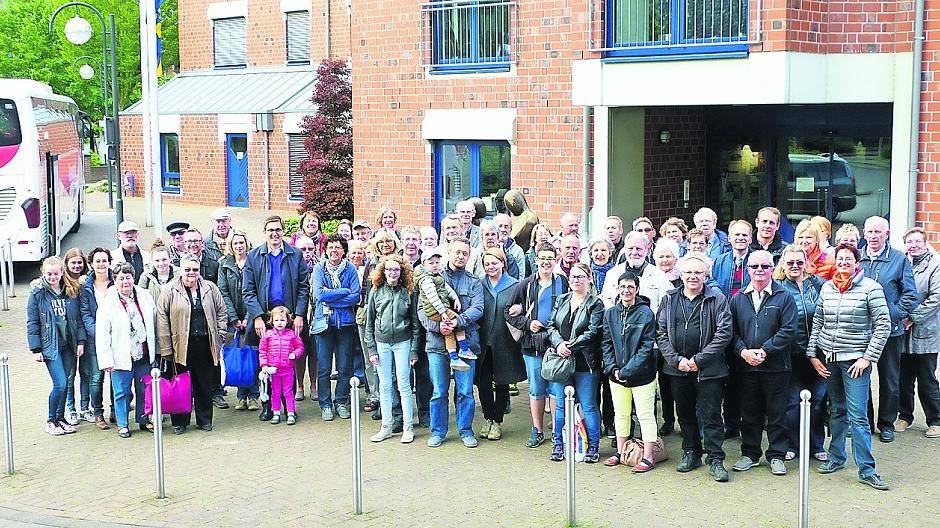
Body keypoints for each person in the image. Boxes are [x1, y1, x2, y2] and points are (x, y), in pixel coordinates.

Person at [807, 243, 891, 491]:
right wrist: (813, 354)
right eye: (839, 258)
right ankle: (836, 458)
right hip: (830, 359)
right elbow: (818, 321)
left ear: (857, 262)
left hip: (856, 361)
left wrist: (867, 358)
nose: (843, 262)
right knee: (836, 411)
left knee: (858, 416)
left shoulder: (871, 288)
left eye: (848, 259)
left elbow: (883, 325)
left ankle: (867, 469)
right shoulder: (827, 287)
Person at [657, 253, 733, 482]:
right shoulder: (669, 299)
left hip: (709, 370)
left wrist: (698, 360)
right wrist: (676, 360)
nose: (692, 276)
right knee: (685, 414)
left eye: (697, 272)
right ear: (680, 274)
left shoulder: (717, 299)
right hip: (677, 369)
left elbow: (724, 334)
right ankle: (691, 452)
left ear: (705, 275)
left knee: (711, 416)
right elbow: (660, 333)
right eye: (688, 272)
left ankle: (716, 458)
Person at [729, 250, 797, 476]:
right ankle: (750, 454)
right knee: (749, 413)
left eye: (765, 267)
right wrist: (743, 352)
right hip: (746, 367)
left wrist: (766, 350)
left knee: (777, 413)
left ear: (772, 268)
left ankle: (777, 455)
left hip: (776, 367)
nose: (759, 270)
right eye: (755, 266)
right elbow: (732, 332)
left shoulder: (784, 296)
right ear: (747, 269)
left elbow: (788, 330)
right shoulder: (738, 298)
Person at [418, 238, 485, 448]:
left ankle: (465, 430)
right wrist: (439, 327)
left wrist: (457, 321)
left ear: (469, 255)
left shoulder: (474, 281)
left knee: (465, 391)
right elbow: (421, 310)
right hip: (437, 345)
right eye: (457, 252)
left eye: (464, 253)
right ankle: (438, 431)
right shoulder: (433, 276)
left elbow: (478, 308)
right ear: (449, 251)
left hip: (467, 345)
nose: (460, 256)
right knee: (439, 391)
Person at [243, 215, 310, 421]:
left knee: (286, 364)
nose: (274, 233)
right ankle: (268, 405)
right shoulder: (254, 256)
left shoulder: (295, 255)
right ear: (265, 232)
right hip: (264, 317)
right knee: (265, 364)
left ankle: (287, 407)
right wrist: (257, 317)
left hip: (288, 318)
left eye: (278, 230)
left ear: (283, 232)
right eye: (270, 230)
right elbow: (248, 290)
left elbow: (303, 287)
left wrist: (299, 315)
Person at [859, 216, 919, 443]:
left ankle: (886, 424)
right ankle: (864, 421)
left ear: (887, 234)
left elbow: (910, 295)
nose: (873, 236)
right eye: (870, 232)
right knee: (860, 377)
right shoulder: (858, 258)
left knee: (889, 380)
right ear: (864, 234)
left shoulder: (899, 259)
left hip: (890, 331)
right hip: (861, 330)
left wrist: (890, 314)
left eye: (878, 232)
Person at [505, 242, 569, 448]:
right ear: (536, 260)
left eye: (550, 258)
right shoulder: (525, 284)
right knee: (536, 389)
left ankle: (558, 432)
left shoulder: (563, 282)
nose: (546, 263)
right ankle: (537, 429)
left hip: (556, 345)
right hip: (532, 346)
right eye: (542, 259)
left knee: (556, 389)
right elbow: (508, 312)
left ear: (555, 260)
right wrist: (526, 323)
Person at [156, 254, 228, 434]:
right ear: (181, 270)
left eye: (195, 269)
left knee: (204, 383)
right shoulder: (170, 290)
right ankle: (180, 422)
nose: (191, 273)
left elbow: (221, 311)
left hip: (205, 344)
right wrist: (166, 348)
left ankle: (204, 420)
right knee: (181, 385)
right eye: (187, 269)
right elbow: (162, 319)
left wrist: (219, 335)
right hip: (180, 347)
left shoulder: (210, 288)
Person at [546, 263, 605, 463]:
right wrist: (559, 344)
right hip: (561, 361)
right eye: (573, 276)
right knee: (561, 405)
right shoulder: (562, 299)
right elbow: (551, 325)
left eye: (580, 276)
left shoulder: (596, 304)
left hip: (585, 363)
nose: (576, 280)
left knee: (588, 405)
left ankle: (593, 446)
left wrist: (570, 345)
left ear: (589, 279)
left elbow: (593, 331)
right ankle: (559, 444)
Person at [601, 270, 659, 472]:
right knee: (621, 414)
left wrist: (627, 371)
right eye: (622, 287)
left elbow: (646, 347)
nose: (626, 290)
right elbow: (606, 343)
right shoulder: (610, 313)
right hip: (616, 375)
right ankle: (622, 451)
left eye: (630, 287)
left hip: (642, 376)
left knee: (645, 415)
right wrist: (612, 369)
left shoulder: (646, 314)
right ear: (617, 289)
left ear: (637, 289)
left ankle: (649, 456)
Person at [775, 245, 828, 461]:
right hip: (791, 356)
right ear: (783, 264)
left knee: (817, 402)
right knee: (792, 403)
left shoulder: (817, 284)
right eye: (790, 263)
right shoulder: (777, 288)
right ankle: (792, 444)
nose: (795, 266)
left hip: (818, 354)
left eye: (799, 262)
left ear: (805, 263)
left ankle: (816, 445)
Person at [95, 262, 157, 438]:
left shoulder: (144, 296)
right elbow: (102, 333)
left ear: (134, 278)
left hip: (143, 354)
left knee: (144, 390)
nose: (125, 282)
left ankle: (144, 420)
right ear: (114, 280)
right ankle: (123, 424)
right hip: (120, 356)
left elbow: (153, 322)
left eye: (128, 277)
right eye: (121, 278)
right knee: (122, 392)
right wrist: (106, 360)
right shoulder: (108, 302)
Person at [27, 257, 87, 436]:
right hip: (50, 345)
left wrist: (81, 342)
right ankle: (51, 420)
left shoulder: (70, 292)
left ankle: (61, 419)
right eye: (49, 274)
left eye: (56, 274)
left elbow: (78, 320)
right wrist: (36, 349)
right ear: (43, 273)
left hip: (68, 343)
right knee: (60, 383)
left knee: (67, 381)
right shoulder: (37, 294)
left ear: (62, 272)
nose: (52, 277)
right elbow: (33, 323)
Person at [364, 254, 420, 443]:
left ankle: (407, 427)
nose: (392, 273)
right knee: (385, 385)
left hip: (403, 343)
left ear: (401, 271)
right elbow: (369, 322)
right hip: (381, 343)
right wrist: (371, 349)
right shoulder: (376, 291)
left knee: (404, 385)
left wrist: (413, 350)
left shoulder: (409, 291)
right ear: (383, 271)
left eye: (396, 269)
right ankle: (386, 426)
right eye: (389, 269)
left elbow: (415, 325)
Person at [476, 248, 525, 441]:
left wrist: (520, 307)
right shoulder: (479, 283)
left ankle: (497, 421)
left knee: (503, 381)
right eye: (487, 264)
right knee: (483, 382)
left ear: (503, 263)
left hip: (505, 340)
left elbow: (525, 305)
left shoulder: (515, 285)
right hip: (483, 340)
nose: (491, 267)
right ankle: (487, 417)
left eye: (494, 263)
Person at [311, 235, 361, 421]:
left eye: (338, 247)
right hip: (324, 324)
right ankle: (325, 404)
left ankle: (341, 401)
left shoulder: (350, 269)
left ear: (343, 250)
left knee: (344, 366)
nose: (334, 251)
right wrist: (343, 292)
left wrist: (333, 299)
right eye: (330, 247)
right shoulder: (319, 269)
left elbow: (355, 296)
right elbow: (319, 295)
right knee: (323, 367)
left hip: (346, 324)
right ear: (325, 250)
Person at [897, 227, 940, 438]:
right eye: (909, 242)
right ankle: (904, 416)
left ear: (925, 242)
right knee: (903, 379)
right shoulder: (901, 262)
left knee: (927, 380)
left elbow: (935, 298)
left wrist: (912, 318)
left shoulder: (935, 264)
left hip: (926, 334)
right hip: (902, 334)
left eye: (917, 242)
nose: (913, 246)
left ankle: (935, 420)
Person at [360, 228, 402, 424]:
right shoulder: (371, 263)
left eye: (389, 241)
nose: (385, 244)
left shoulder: (400, 264)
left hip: (398, 329)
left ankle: (396, 410)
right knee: (378, 369)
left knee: (396, 374)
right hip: (378, 322)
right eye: (381, 241)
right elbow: (365, 291)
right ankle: (382, 405)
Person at [217, 230, 260, 411]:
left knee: (252, 356)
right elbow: (223, 292)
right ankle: (241, 396)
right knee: (236, 356)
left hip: (252, 317)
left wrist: (249, 318)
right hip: (231, 320)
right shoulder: (224, 264)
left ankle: (254, 395)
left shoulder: (254, 262)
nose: (239, 246)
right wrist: (234, 318)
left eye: (242, 242)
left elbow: (257, 291)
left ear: (246, 243)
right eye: (235, 243)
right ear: (231, 246)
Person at [415, 247, 475, 370]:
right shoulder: (426, 280)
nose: (435, 265)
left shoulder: (437, 276)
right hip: (435, 310)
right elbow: (433, 298)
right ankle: (463, 349)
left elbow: (447, 288)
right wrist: (442, 312)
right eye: (431, 263)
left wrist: (456, 298)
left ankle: (454, 357)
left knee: (448, 331)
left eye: (437, 262)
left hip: (440, 309)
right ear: (424, 264)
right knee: (458, 320)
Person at [79, 247, 112, 429]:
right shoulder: (86, 287)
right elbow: (85, 313)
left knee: (117, 376)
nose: (101, 264)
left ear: (109, 262)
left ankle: (115, 410)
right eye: (97, 261)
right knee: (96, 378)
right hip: (94, 340)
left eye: (104, 260)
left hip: (116, 338)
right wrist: (99, 333)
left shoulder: (116, 283)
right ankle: (98, 413)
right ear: (91, 263)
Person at [600, 231, 672, 314]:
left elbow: (665, 307)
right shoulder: (612, 274)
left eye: (638, 249)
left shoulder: (659, 275)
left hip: (649, 324)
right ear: (625, 249)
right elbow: (606, 301)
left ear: (646, 250)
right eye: (630, 248)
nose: (634, 253)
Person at [259, 306, 305, 425]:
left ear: (287, 321)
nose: (279, 323)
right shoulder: (267, 335)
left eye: (282, 320)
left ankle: (290, 412)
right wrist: (264, 365)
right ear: (272, 321)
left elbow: (300, 347)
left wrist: (295, 354)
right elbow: (262, 351)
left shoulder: (291, 334)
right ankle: (276, 413)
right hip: (274, 371)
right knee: (275, 392)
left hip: (288, 369)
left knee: (288, 392)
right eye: (277, 320)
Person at [61, 248, 90, 425]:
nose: (77, 266)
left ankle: (85, 407)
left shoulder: (87, 280)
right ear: (67, 263)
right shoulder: (62, 283)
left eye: (80, 262)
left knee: (86, 374)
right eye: (73, 263)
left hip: (87, 335)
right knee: (70, 376)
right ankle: (70, 408)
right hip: (69, 337)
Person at [712, 219, 753, 300]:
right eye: (737, 234)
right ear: (729, 238)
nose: (740, 238)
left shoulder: (757, 262)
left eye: (744, 235)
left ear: (750, 239)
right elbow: (712, 282)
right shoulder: (719, 261)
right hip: (724, 308)